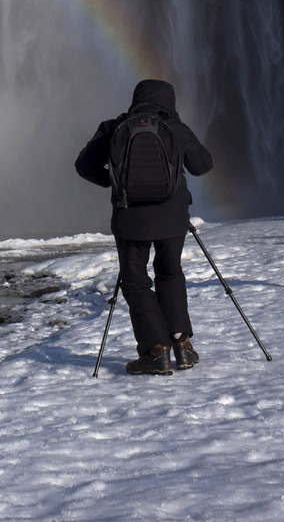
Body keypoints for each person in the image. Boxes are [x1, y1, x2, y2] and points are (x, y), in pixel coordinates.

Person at [75, 78, 213, 375]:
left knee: (136, 282)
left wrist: (113, 182)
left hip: (130, 218)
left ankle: (156, 351)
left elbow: (83, 166)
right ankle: (182, 345)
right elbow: (203, 165)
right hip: (172, 217)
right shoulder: (176, 129)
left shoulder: (114, 128)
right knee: (170, 273)